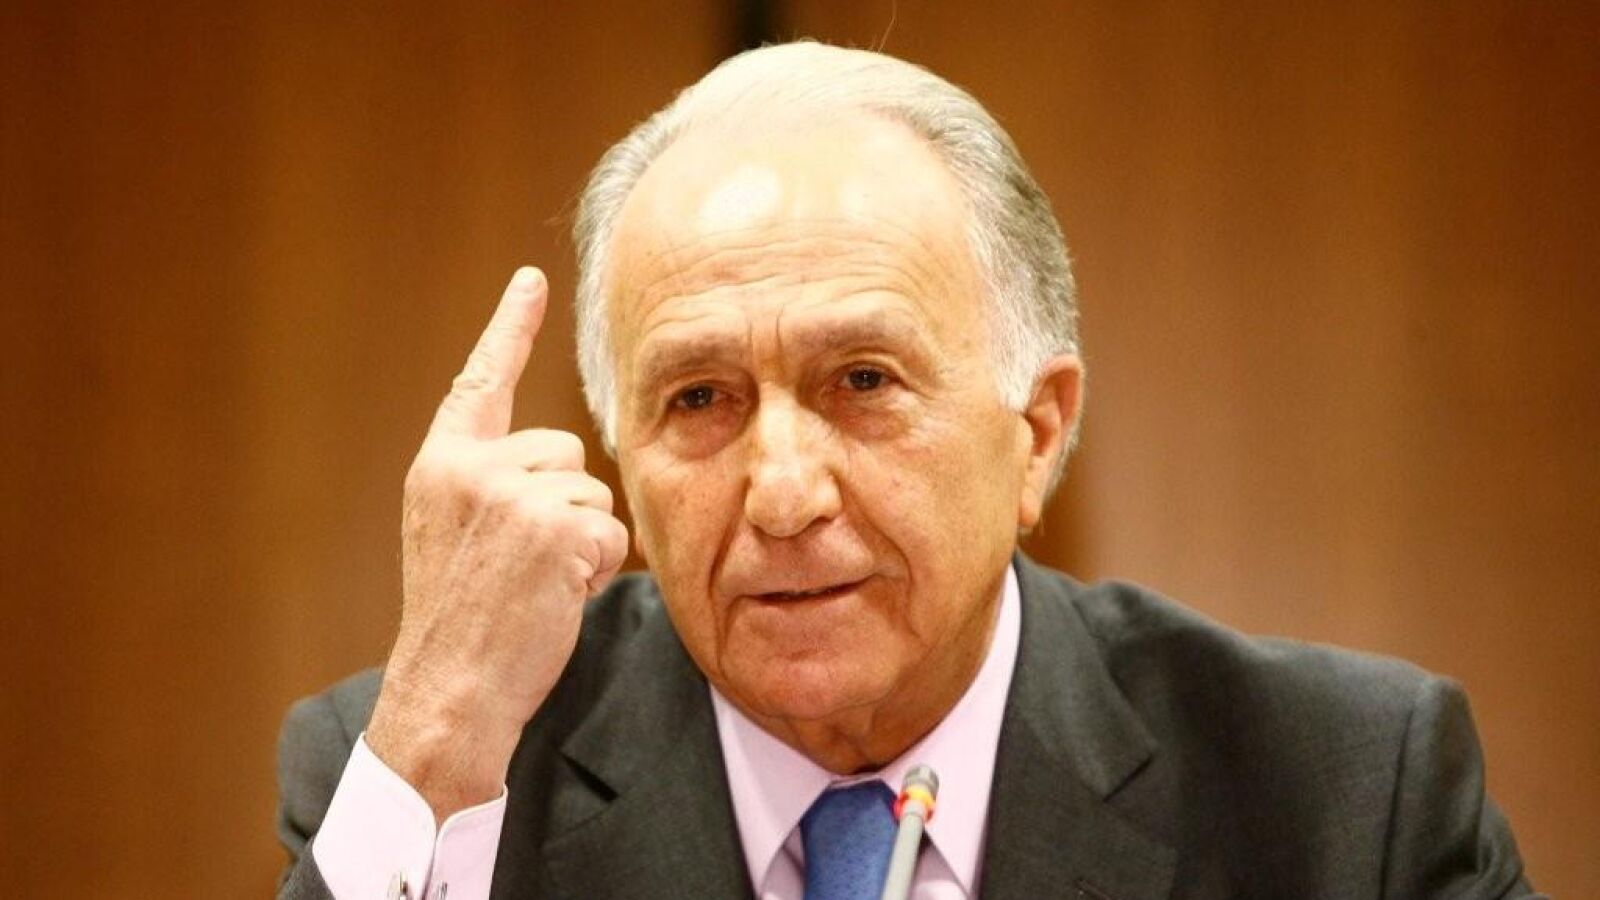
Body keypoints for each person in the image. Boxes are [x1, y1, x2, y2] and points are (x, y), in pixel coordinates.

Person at [275, 42, 1540, 900]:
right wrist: (435, 742)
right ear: (621, 466)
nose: (782, 494)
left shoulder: (1344, 799)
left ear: (1036, 432)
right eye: (699, 399)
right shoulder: (438, 776)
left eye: (863, 381)